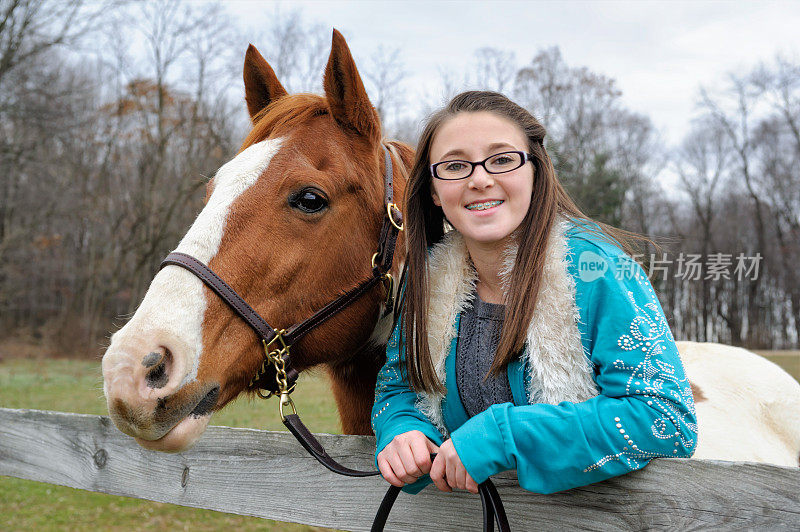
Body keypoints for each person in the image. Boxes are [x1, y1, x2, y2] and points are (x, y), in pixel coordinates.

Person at [371, 91, 697, 496]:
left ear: (536, 171)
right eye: (455, 166)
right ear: (434, 191)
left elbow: (664, 419)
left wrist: (503, 437)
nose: (479, 179)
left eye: (502, 159)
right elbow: (397, 388)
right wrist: (402, 430)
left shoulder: (595, 268)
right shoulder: (427, 279)